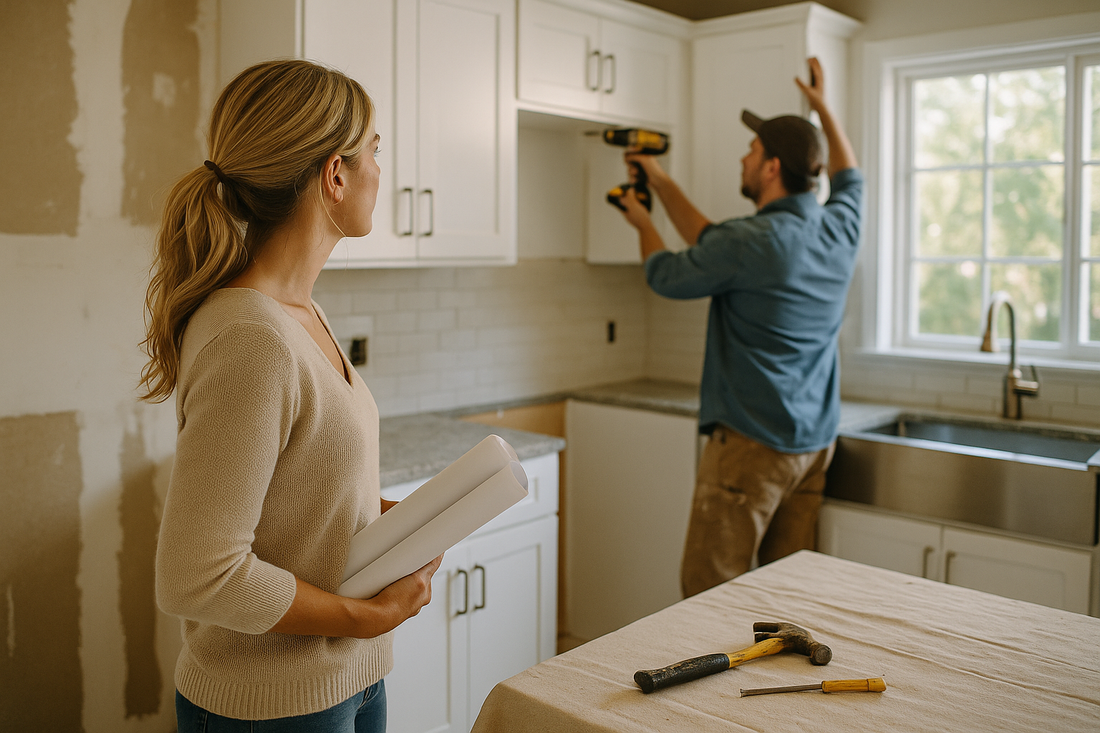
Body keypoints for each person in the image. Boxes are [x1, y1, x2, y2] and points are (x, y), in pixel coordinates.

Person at [139, 59, 442, 731]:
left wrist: (386, 519)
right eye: (374, 153)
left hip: (353, 679)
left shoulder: (304, 313)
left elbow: (297, 495)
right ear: (335, 175)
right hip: (273, 704)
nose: (380, 173)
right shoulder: (252, 335)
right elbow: (197, 574)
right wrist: (367, 614)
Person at [616, 57, 862, 597]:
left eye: (752, 151)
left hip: (752, 447)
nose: (743, 157)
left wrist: (643, 222)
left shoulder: (751, 242)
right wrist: (821, 106)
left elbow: (665, 274)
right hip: (814, 446)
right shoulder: (840, 224)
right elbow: (849, 174)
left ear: (772, 168)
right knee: (785, 594)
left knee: (709, 592)